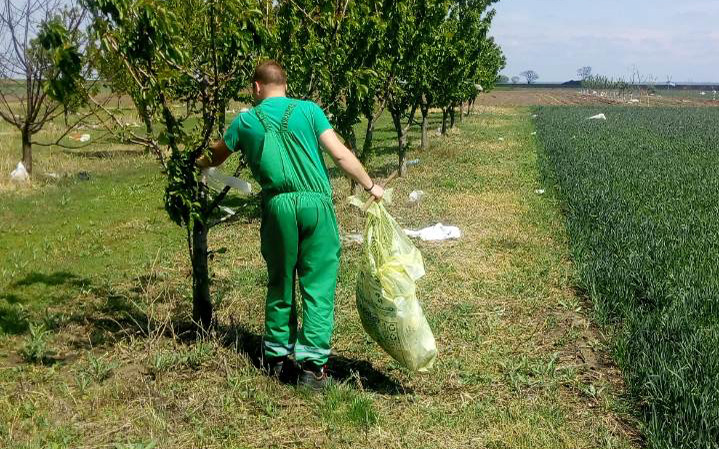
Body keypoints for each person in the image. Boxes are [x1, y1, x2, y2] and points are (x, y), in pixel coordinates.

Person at [197, 60, 383, 390]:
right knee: (318, 283)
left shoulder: (244, 121)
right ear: (285, 84)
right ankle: (312, 370)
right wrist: (371, 186)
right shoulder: (310, 111)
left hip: (278, 206)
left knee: (280, 280)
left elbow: (215, 157)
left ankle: (277, 360)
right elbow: (340, 155)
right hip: (316, 205)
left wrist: (193, 163)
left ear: (256, 87)